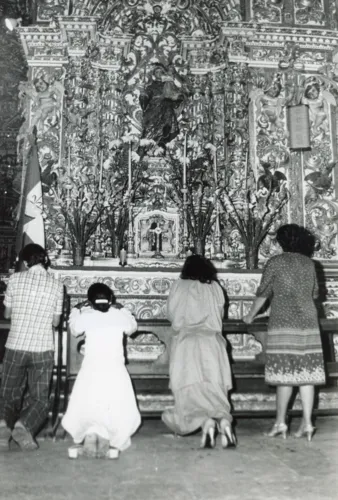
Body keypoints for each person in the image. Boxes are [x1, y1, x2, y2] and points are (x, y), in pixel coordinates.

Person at [243, 224, 326, 441]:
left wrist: (251, 315)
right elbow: (315, 293)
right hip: (308, 321)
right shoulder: (309, 263)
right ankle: (307, 424)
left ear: (281, 242)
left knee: (284, 375)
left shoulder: (276, 262)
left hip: (284, 322)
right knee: (307, 374)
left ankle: (281, 423)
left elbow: (264, 291)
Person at [162, 255, 236, 448]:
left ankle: (205, 422)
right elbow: (220, 314)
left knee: (189, 389)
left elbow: (171, 314)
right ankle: (224, 421)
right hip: (212, 342)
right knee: (215, 388)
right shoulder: (215, 287)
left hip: (186, 343)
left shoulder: (179, 285)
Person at [62, 283, 141, 459]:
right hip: (115, 369)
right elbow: (132, 327)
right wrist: (123, 310)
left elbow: (74, 329)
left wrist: (76, 309)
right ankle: (108, 438)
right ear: (111, 300)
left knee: (90, 402)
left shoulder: (87, 315)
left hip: (91, 369)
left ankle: (92, 434)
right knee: (114, 404)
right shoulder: (119, 316)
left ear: (90, 302)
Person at [0, 244, 64, 451]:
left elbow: (7, 314)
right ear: (45, 261)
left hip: (16, 345)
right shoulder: (57, 286)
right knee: (39, 398)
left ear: (26, 262)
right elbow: (55, 322)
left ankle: (2, 429)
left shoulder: (15, 279)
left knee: (8, 393)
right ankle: (23, 426)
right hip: (42, 348)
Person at [139, 64, 185, 149]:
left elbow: (177, 95)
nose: (159, 74)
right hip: (153, 110)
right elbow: (145, 101)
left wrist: (177, 98)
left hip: (166, 110)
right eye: (157, 72)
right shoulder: (150, 87)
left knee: (166, 124)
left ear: (164, 74)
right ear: (154, 75)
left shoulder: (169, 85)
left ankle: (163, 142)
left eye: (161, 72)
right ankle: (148, 147)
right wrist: (143, 96)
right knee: (149, 128)